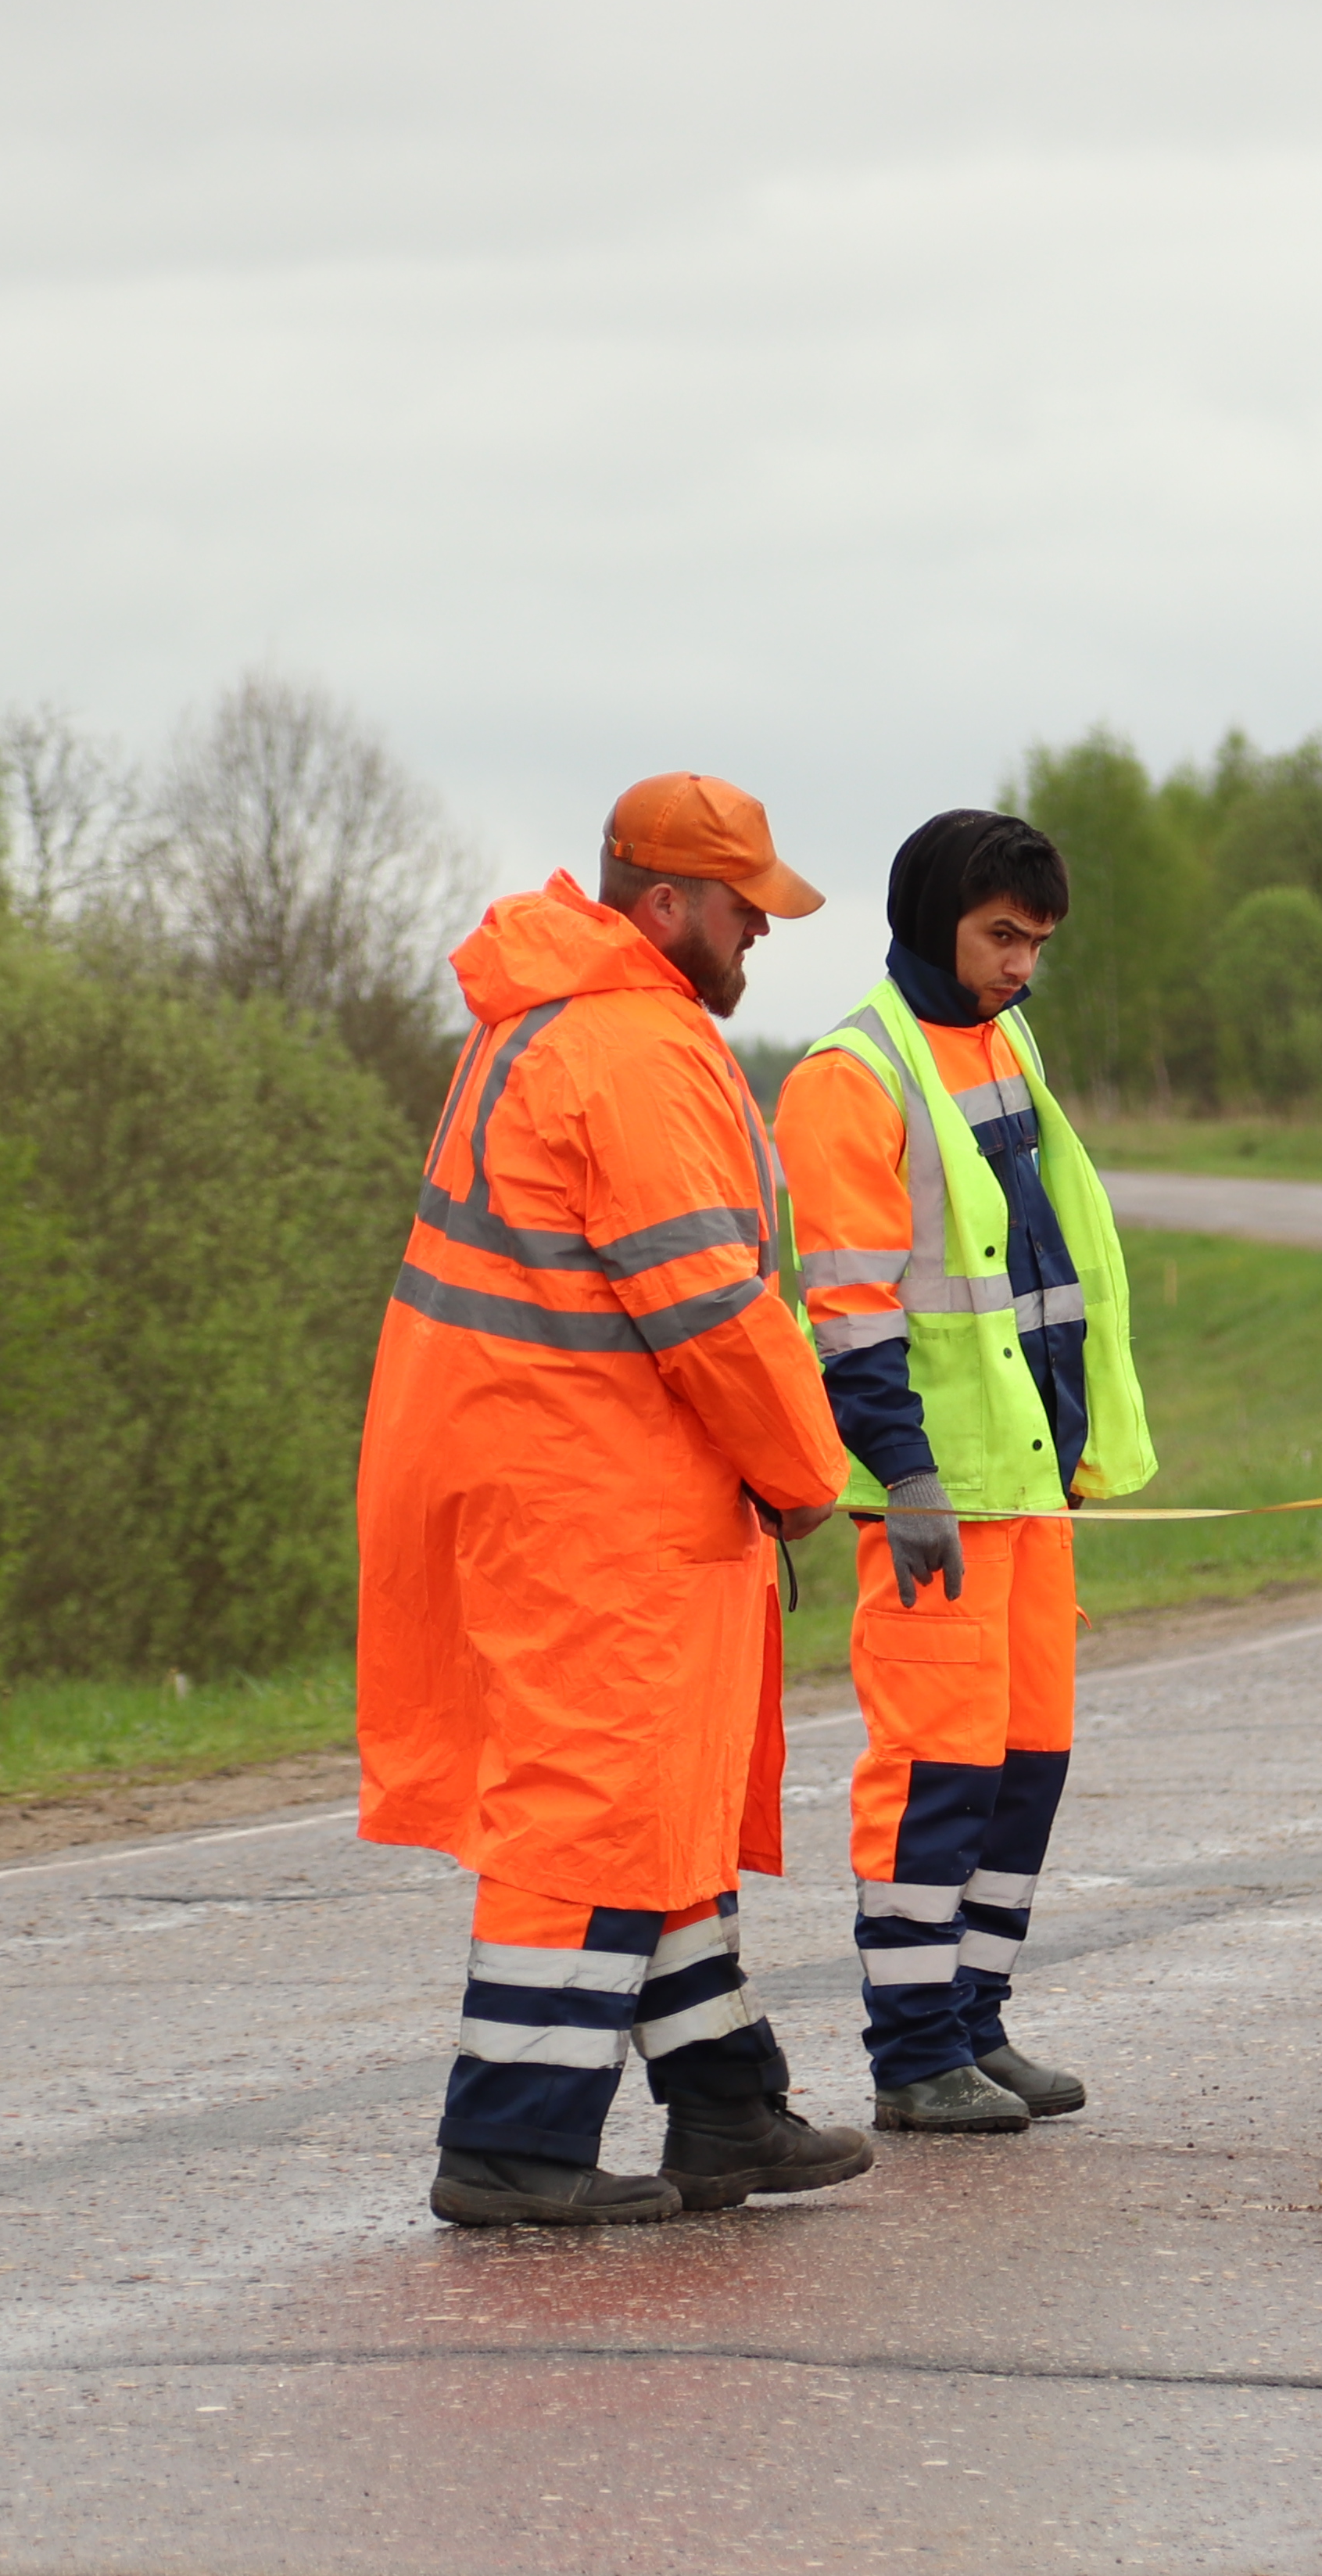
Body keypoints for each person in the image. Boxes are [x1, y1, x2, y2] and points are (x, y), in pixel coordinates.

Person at [357, 775, 876, 2227]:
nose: (763, 933)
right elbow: (710, 1308)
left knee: (657, 1802)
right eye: (745, 908)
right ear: (665, 902)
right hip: (588, 1494)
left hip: (556, 1474)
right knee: (592, 1809)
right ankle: (514, 2146)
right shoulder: (632, 1049)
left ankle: (724, 2109)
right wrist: (804, 1474)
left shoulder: (553, 1019)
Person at [776, 811, 1154, 2134]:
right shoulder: (851, 1075)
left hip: (1030, 1485)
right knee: (934, 1773)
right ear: (934, 920)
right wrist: (907, 1477)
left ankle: (977, 2022)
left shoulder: (1003, 1038)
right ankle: (913, 2055)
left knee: (1025, 1764)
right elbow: (851, 1310)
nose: (1022, 965)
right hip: (937, 1498)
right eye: (1003, 937)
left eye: (1038, 942)